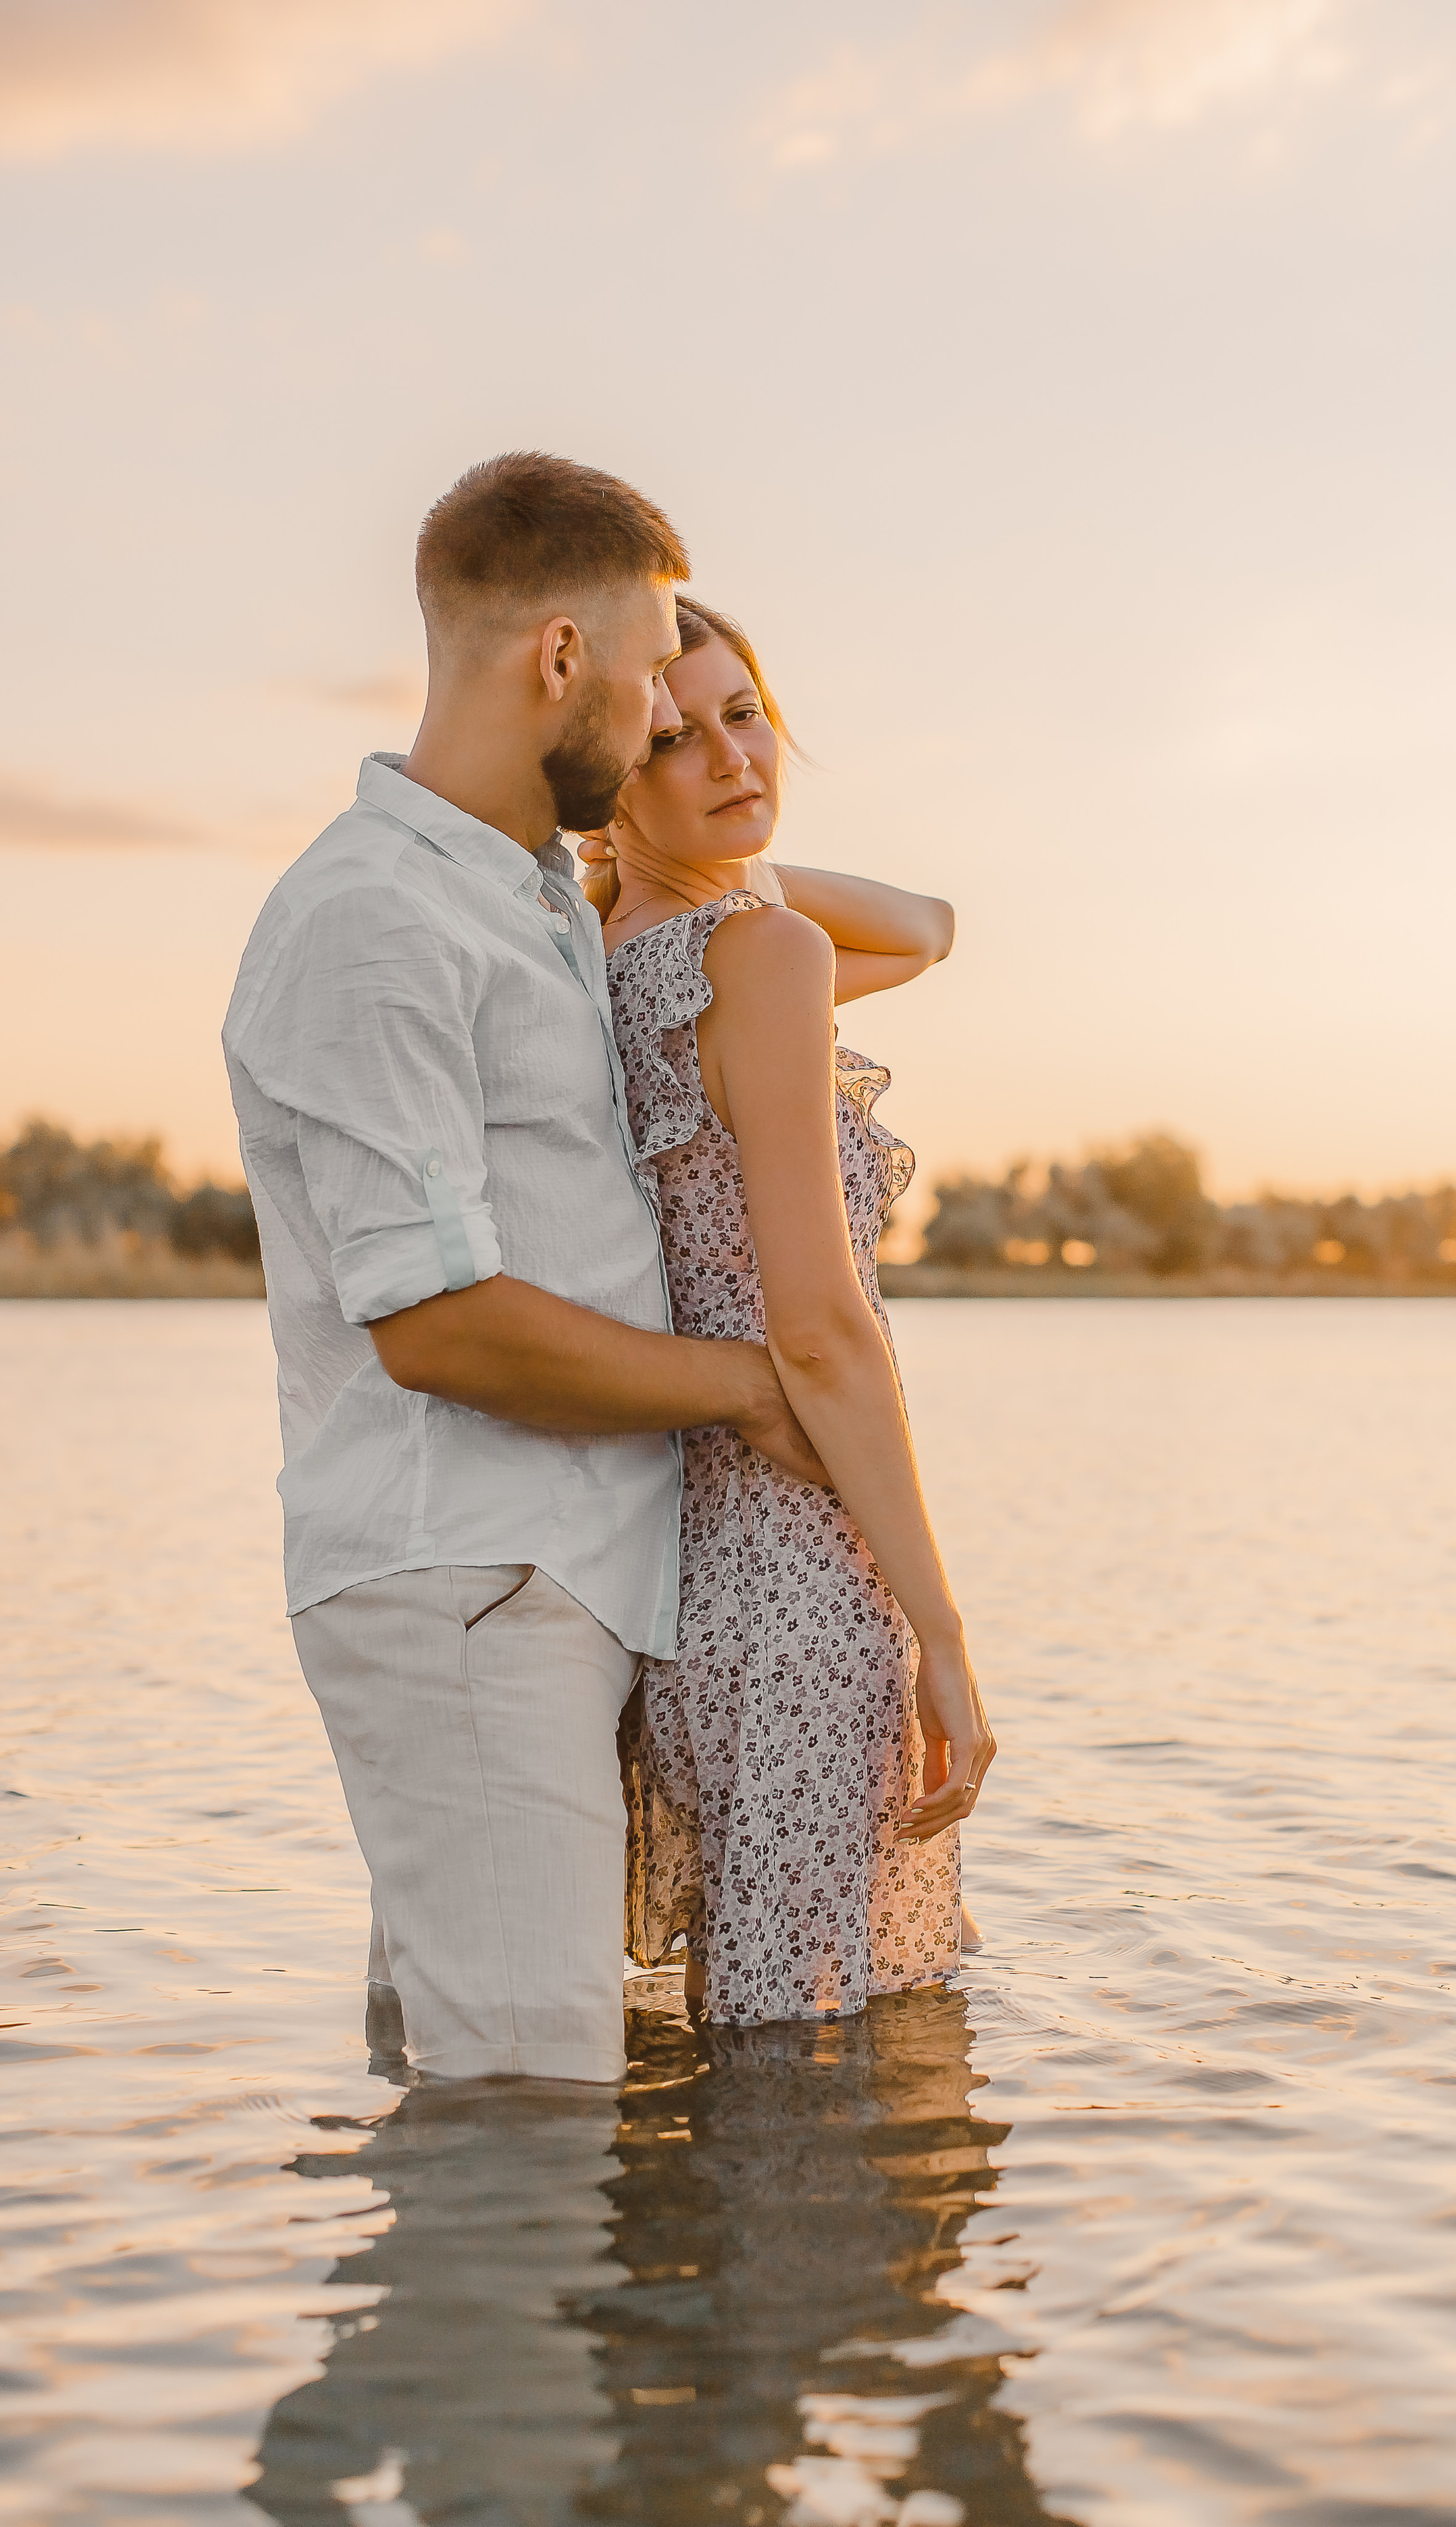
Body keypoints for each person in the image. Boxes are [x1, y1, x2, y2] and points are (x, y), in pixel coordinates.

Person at [220, 451, 938, 2088]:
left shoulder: (535, 895)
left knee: (480, 2098)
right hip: (466, 1584)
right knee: (526, 2118)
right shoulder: (377, 919)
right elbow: (436, 1323)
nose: (659, 731)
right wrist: (756, 1386)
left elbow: (885, 924)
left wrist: (718, 896)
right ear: (560, 660)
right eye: (644, 686)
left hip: (562, 1581)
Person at [590, 598, 995, 2024]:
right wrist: (939, 1631)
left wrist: (696, 852)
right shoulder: (760, 960)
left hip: (668, 1577)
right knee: (812, 2048)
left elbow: (924, 935)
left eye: (743, 713)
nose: (727, 757)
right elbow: (819, 1333)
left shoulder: (603, 967)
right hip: (804, 1569)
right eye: (667, 736)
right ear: (601, 773)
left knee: (746, 2024)